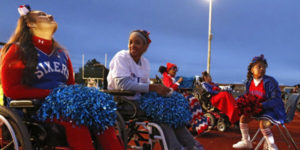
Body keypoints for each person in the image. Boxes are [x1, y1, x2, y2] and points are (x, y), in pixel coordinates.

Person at [0, 5, 123, 150]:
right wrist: (53, 94)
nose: (50, 16)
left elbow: (70, 85)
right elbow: (11, 91)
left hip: (66, 105)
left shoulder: (62, 53)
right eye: (42, 14)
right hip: (36, 108)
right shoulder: (17, 50)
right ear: (30, 24)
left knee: (102, 119)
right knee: (77, 121)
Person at [107, 29, 204, 150]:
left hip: (140, 100)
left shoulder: (145, 63)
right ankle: (175, 147)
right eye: (130, 42)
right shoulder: (121, 57)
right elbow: (123, 84)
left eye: (137, 42)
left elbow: (145, 85)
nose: (132, 45)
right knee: (161, 112)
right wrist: (154, 88)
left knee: (171, 110)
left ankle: (191, 144)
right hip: (123, 102)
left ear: (145, 47)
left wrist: (164, 92)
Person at [232, 55, 286, 150]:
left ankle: (272, 146)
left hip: (272, 110)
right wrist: (239, 101)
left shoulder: (270, 81)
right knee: (243, 118)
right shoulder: (249, 82)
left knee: (263, 123)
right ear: (252, 69)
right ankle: (246, 142)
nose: (262, 69)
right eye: (259, 67)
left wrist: (261, 105)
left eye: (264, 67)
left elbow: (277, 99)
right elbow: (247, 96)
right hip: (259, 110)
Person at [159, 63, 209, 134]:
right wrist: (178, 82)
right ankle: (195, 123)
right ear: (168, 70)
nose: (175, 71)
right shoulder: (166, 78)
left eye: (176, 69)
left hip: (177, 95)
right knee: (192, 101)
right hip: (172, 97)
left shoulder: (172, 78)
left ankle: (197, 122)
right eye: (174, 69)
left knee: (194, 100)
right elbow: (170, 89)